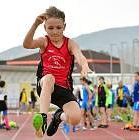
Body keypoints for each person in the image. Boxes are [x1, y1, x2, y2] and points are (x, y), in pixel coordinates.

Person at [23, 6, 92, 137]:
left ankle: (58, 116)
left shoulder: (70, 44)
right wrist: (35, 24)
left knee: (75, 119)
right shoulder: (44, 41)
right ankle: (43, 117)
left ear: (64, 26)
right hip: (45, 85)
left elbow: (80, 56)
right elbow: (27, 44)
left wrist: (84, 66)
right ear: (45, 28)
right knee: (49, 78)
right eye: (50, 28)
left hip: (64, 89)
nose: (55, 32)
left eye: (58, 28)